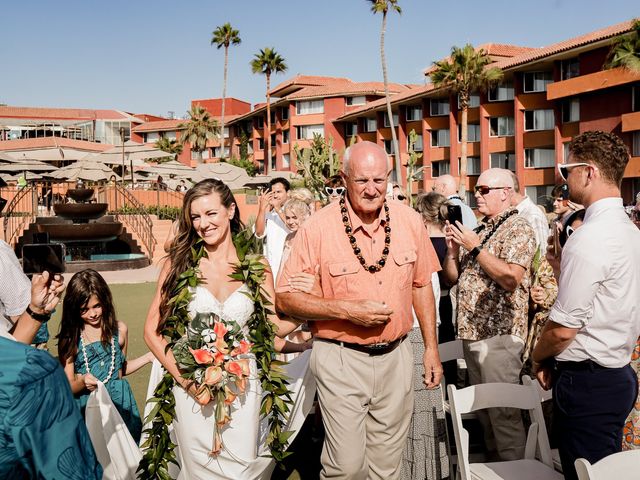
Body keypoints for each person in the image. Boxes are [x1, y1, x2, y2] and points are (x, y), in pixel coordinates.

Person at [276, 141, 442, 480]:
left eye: (379, 181)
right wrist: (347, 310)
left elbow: (421, 284)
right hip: (340, 357)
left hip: (396, 355)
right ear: (344, 178)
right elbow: (286, 299)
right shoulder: (317, 228)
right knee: (346, 467)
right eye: (362, 181)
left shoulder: (409, 221)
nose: (371, 190)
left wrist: (430, 349)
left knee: (387, 466)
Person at [144, 179, 303, 479]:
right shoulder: (178, 265)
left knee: (241, 471)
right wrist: (188, 383)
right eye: (195, 217)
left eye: (211, 214)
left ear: (231, 210)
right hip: (192, 391)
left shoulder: (257, 266)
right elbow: (151, 331)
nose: (203, 224)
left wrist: (308, 314)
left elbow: (273, 328)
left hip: (244, 390)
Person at [532, 131, 640, 480]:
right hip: (618, 373)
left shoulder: (590, 237)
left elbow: (564, 329)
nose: (563, 177)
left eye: (567, 169)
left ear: (589, 172)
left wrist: (538, 356)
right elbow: (610, 296)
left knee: (586, 473)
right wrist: (562, 268)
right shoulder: (629, 231)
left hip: (589, 381)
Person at [442, 168, 537, 461]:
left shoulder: (519, 227)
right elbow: (451, 279)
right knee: (485, 417)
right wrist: (452, 251)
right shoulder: (482, 229)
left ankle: (517, 473)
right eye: (477, 190)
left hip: (499, 338)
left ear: (505, 193)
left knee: (504, 416)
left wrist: (475, 247)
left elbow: (511, 278)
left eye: (484, 190)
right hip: (472, 337)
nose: (477, 196)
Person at [57, 269, 153, 442]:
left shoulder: (120, 330)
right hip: (89, 406)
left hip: (121, 404)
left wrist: (147, 358)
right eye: (84, 309)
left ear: (105, 301)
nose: (92, 314)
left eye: (96, 306)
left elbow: (118, 371)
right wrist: (82, 381)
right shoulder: (71, 338)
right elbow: (67, 386)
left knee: (129, 458)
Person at [254, 177, 290, 281]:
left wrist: (278, 208)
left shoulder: (295, 209)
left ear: (288, 193)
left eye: (278, 192)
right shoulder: (269, 215)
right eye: (273, 192)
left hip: (289, 268)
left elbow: (295, 229)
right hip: (272, 269)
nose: (275, 195)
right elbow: (259, 233)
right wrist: (262, 208)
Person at [509, 172, 550, 250]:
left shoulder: (532, 216)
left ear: (507, 190)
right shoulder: (514, 213)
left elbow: (541, 253)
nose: (478, 195)